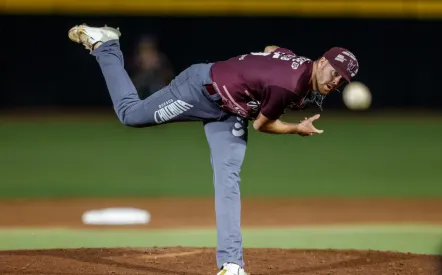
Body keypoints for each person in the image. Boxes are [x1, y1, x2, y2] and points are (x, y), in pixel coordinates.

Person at [68, 24, 359, 275]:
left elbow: (273, 49)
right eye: (333, 72)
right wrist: (297, 128)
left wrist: (254, 73)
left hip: (230, 110)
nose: (335, 82)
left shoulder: (300, 64)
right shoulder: (289, 86)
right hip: (200, 89)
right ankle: (106, 46)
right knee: (130, 115)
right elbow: (262, 125)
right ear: (322, 61)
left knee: (228, 178)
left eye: (340, 81)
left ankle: (231, 264)